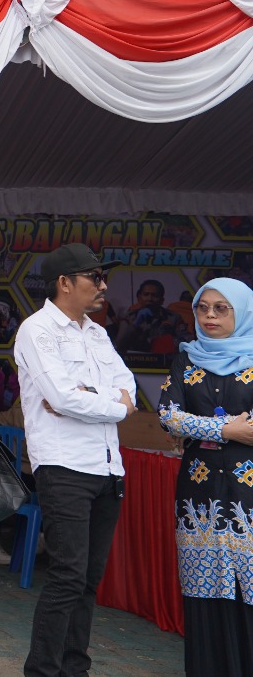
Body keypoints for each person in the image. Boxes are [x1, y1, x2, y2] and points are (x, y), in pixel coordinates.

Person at [13, 243, 136, 677]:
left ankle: (74, 669)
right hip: (64, 467)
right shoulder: (37, 330)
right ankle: (43, 671)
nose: (103, 286)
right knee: (67, 577)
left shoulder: (97, 332)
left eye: (102, 277)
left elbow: (130, 388)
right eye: (94, 277)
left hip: (107, 467)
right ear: (64, 283)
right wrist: (113, 404)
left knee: (87, 580)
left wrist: (94, 399)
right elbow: (62, 398)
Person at [158, 278, 253, 675]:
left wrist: (194, 426)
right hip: (198, 497)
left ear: (243, 312)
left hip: (248, 498)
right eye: (203, 308)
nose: (210, 316)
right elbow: (168, 416)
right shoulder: (186, 359)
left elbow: (183, 421)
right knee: (203, 589)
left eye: (221, 308)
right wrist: (226, 430)